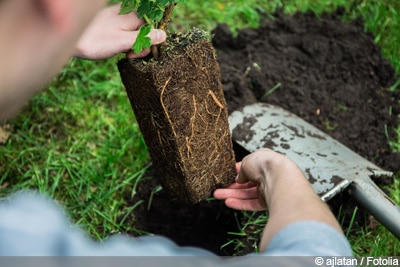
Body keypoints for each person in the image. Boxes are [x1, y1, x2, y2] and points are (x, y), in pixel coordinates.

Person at [0, 0, 353, 262]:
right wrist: (281, 174)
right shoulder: (31, 245)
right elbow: (320, 257)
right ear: (54, 6)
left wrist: (67, 35)